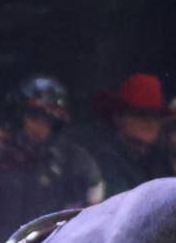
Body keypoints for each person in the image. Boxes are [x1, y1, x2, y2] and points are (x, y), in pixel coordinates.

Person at [0, 74, 102, 243]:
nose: (38, 128)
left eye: (48, 121)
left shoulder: (73, 165)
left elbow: (88, 228)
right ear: (18, 116)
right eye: (33, 117)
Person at [68, 72, 170, 200]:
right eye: (140, 114)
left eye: (157, 116)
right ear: (117, 117)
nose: (151, 123)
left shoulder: (160, 160)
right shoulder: (103, 159)